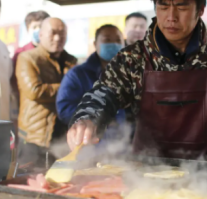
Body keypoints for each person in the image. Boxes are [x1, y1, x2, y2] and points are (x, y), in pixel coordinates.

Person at [66, 0, 207, 163]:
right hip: (144, 173)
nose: (171, 17)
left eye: (181, 7)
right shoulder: (132, 58)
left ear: (200, 9)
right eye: (163, 7)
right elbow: (104, 95)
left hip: (206, 175)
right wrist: (86, 119)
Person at [16, 17, 77, 168]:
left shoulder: (71, 61)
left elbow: (80, 91)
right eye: (53, 33)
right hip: (35, 135)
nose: (57, 38)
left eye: (62, 34)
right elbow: (35, 91)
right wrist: (68, 87)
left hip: (63, 134)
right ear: (41, 34)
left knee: (61, 180)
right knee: (32, 179)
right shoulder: (28, 58)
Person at [56, 24, 125, 125]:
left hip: (127, 137)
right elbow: (65, 109)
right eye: (107, 40)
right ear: (95, 44)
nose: (113, 44)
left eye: (118, 40)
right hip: (93, 139)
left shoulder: (131, 74)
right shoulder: (77, 75)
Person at [10, 11, 50, 135]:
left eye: (41, 26)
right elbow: (13, 84)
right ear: (28, 30)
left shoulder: (55, 52)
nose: (38, 30)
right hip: (27, 112)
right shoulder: (21, 53)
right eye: (34, 27)